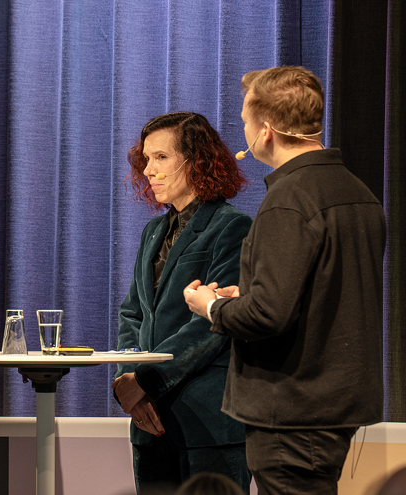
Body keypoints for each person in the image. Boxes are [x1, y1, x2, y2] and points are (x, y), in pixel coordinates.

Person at [184, 66, 386, 494]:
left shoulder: (289, 200)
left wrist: (212, 306)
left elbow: (267, 316)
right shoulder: (357, 192)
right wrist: (252, 290)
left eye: (244, 122)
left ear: (267, 131)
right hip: (332, 405)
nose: (243, 132)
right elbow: (320, 290)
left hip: (293, 409)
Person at [114, 112, 252, 493]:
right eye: (145, 159)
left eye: (161, 158)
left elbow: (214, 324)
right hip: (149, 420)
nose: (148, 170)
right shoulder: (153, 231)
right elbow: (133, 313)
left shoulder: (232, 227)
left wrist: (145, 381)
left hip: (207, 422)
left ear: (198, 161)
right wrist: (128, 378)